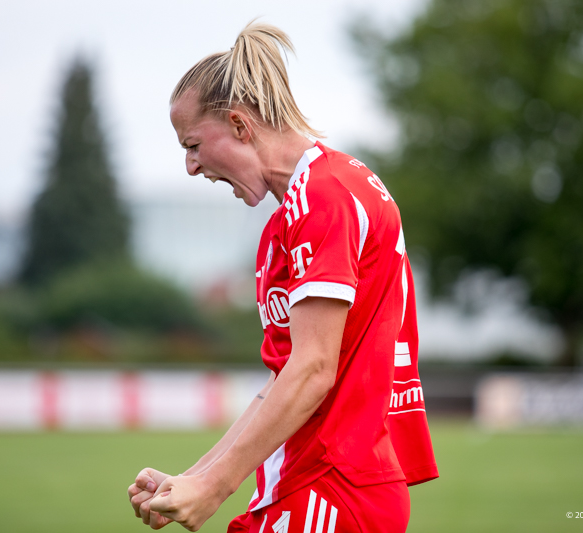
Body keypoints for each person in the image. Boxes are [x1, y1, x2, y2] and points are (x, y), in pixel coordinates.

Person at [128, 21, 438, 532]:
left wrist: (213, 487)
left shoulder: (326, 194)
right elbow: (282, 379)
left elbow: (314, 369)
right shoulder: (296, 210)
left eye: (193, 145)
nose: (189, 166)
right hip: (312, 487)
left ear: (239, 125)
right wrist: (192, 477)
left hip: (332, 491)